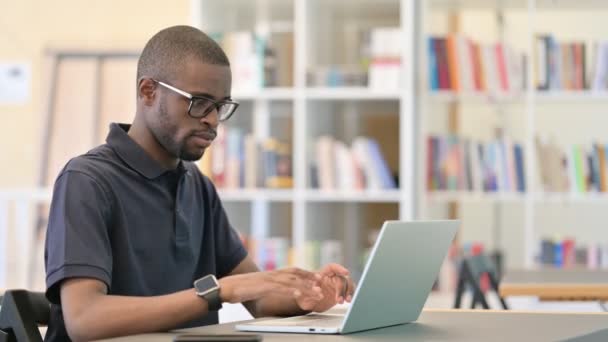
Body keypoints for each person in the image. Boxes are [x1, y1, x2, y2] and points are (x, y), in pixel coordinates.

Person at [44, 25, 355, 342]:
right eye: (199, 102)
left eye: (220, 106)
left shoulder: (197, 186)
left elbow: (257, 298)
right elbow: (85, 320)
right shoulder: (87, 181)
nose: (212, 120)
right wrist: (219, 291)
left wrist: (308, 294)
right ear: (148, 91)